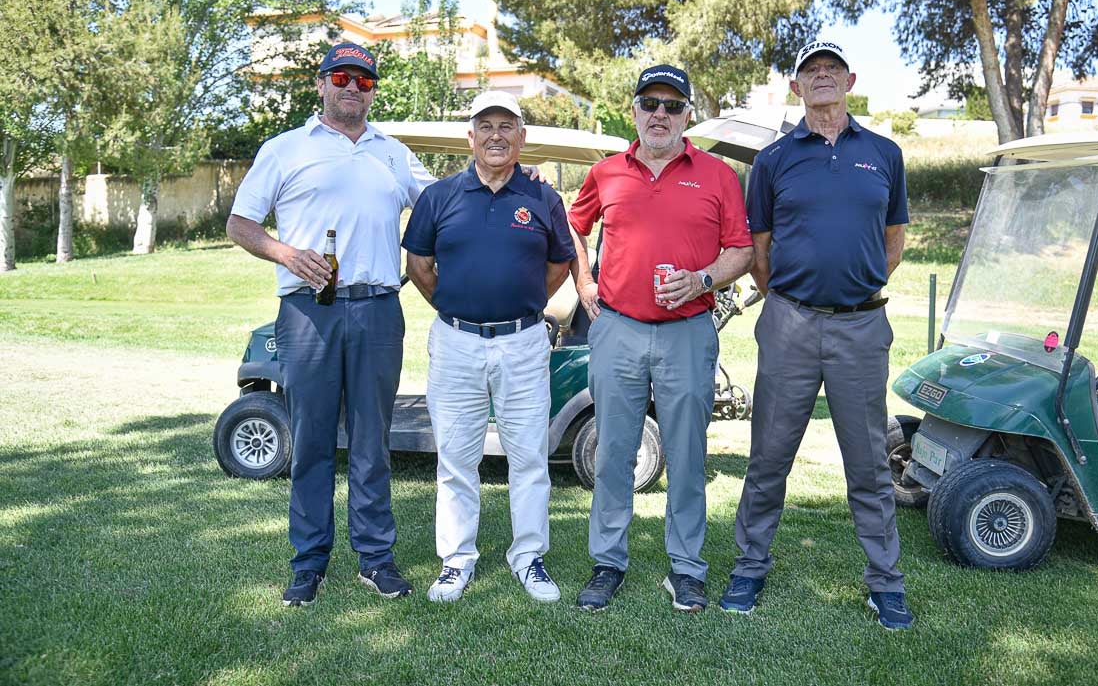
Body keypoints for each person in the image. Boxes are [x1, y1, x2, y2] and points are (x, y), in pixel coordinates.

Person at [227, 42, 434, 607]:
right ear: (320, 84)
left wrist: (512, 172)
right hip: (307, 310)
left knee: (372, 440)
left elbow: (443, 203)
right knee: (313, 440)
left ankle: (375, 559)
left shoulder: (393, 152)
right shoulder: (284, 148)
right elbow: (241, 223)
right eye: (341, 77)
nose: (352, 88)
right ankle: (309, 563)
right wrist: (287, 253)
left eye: (364, 81)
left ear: (372, 91)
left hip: (377, 309)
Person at [717, 40, 914, 629]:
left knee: (870, 464)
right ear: (796, 88)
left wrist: (859, 283)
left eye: (831, 69)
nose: (821, 77)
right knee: (769, 456)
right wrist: (791, 298)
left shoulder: (884, 153)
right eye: (810, 71)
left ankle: (885, 582)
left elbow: (894, 237)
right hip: (790, 324)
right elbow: (759, 249)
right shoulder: (774, 159)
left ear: (849, 80)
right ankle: (750, 566)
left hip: (861, 326)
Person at [568, 65, 753, 612]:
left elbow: (741, 251)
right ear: (634, 110)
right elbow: (573, 225)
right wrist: (583, 280)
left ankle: (687, 568)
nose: (660, 115)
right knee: (613, 454)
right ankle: (608, 562)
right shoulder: (606, 173)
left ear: (688, 115)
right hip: (618, 329)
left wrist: (700, 280)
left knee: (688, 456)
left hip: (688, 333)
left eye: (673, 106)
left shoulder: (717, 174)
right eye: (650, 103)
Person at [402, 91, 575, 604]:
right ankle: (456, 561)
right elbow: (419, 267)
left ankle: (528, 558)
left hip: (523, 344)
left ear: (522, 137)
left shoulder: (542, 198)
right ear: (470, 136)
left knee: (528, 456)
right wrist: (459, 309)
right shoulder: (440, 196)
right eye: (486, 126)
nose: (496, 135)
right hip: (456, 343)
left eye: (507, 126)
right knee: (456, 458)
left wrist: (520, 307)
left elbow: (559, 264)